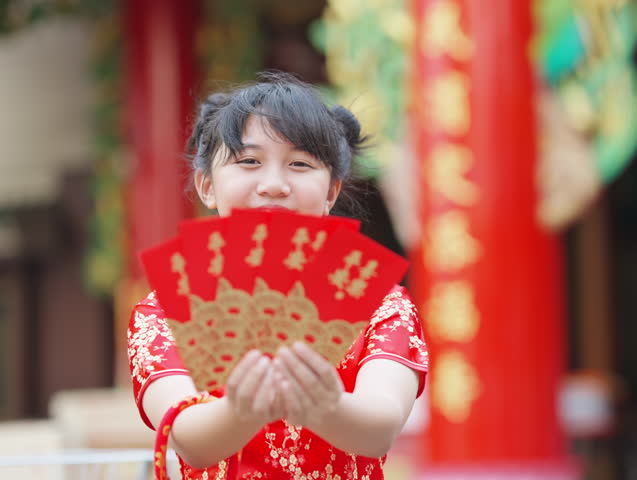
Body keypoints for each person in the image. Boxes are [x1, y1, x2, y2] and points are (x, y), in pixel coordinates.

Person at [127, 72, 429, 480]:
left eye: (300, 164)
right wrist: (242, 411)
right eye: (248, 161)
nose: (273, 185)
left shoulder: (382, 306)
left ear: (330, 193)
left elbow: (380, 428)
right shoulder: (161, 313)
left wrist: (327, 407)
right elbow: (192, 443)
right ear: (206, 185)